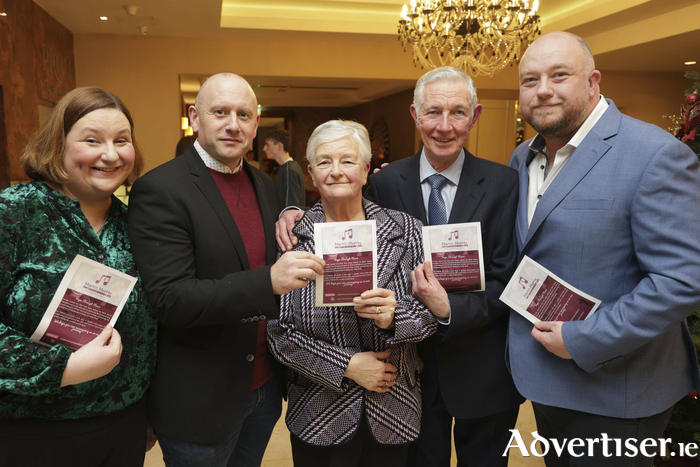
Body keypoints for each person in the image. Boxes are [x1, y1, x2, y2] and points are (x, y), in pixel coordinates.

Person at [277, 67, 524, 467]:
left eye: (458, 112)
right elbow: (340, 205)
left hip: (480, 367)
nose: (444, 126)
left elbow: (509, 278)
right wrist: (291, 212)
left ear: (475, 116)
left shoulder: (505, 184)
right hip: (404, 381)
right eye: (433, 112)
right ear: (415, 115)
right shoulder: (387, 181)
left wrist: (444, 309)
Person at [508, 31, 700, 466]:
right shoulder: (523, 157)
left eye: (559, 75)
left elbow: (682, 281)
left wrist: (582, 338)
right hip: (544, 379)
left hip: (618, 390)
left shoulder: (655, 154)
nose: (542, 90)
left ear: (593, 81)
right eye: (529, 79)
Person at [127, 72, 325, 467]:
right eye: (220, 112)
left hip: (263, 390)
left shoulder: (263, 184)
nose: (233, 124)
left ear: (255, 125)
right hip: (200, 402)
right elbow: (171, 299)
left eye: (243, 114)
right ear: (195, 118)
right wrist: (268, 281)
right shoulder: (161, 189)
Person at [0, 86, 157, 466]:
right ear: (58, 145)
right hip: (33, 430)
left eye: (122, 140)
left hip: (124, 427)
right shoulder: (15, 212)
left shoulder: (137, 224)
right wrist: (63, 369)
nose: (110, 154)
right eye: (92, 140)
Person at [267, 120, 437, 467]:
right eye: (325, 162)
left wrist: (395, 317)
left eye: (347, 161)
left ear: (364, 171)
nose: (336, 171)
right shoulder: (292, 240)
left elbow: (431, 313)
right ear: (311, 174)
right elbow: (278, 333)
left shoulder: (407, 231)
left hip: (393, 407)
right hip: (318, 412)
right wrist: (346, 365)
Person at [263, 128, 306, 208]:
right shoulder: (290, 167)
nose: (264, 148)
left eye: (267, 145)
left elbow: (290, 208)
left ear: (279, 146)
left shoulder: (289, 170)